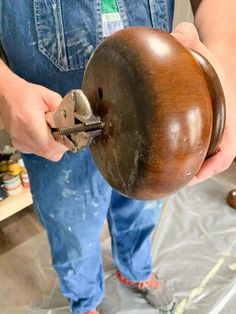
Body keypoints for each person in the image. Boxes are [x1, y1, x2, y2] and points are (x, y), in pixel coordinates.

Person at [0, 1, 235, 313]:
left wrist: (223, 55)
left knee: (142, 211)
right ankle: (84, 301)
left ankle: (136, 270)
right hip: (54, 122)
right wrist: (5, 90)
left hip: (159, 120)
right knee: (73, 231)